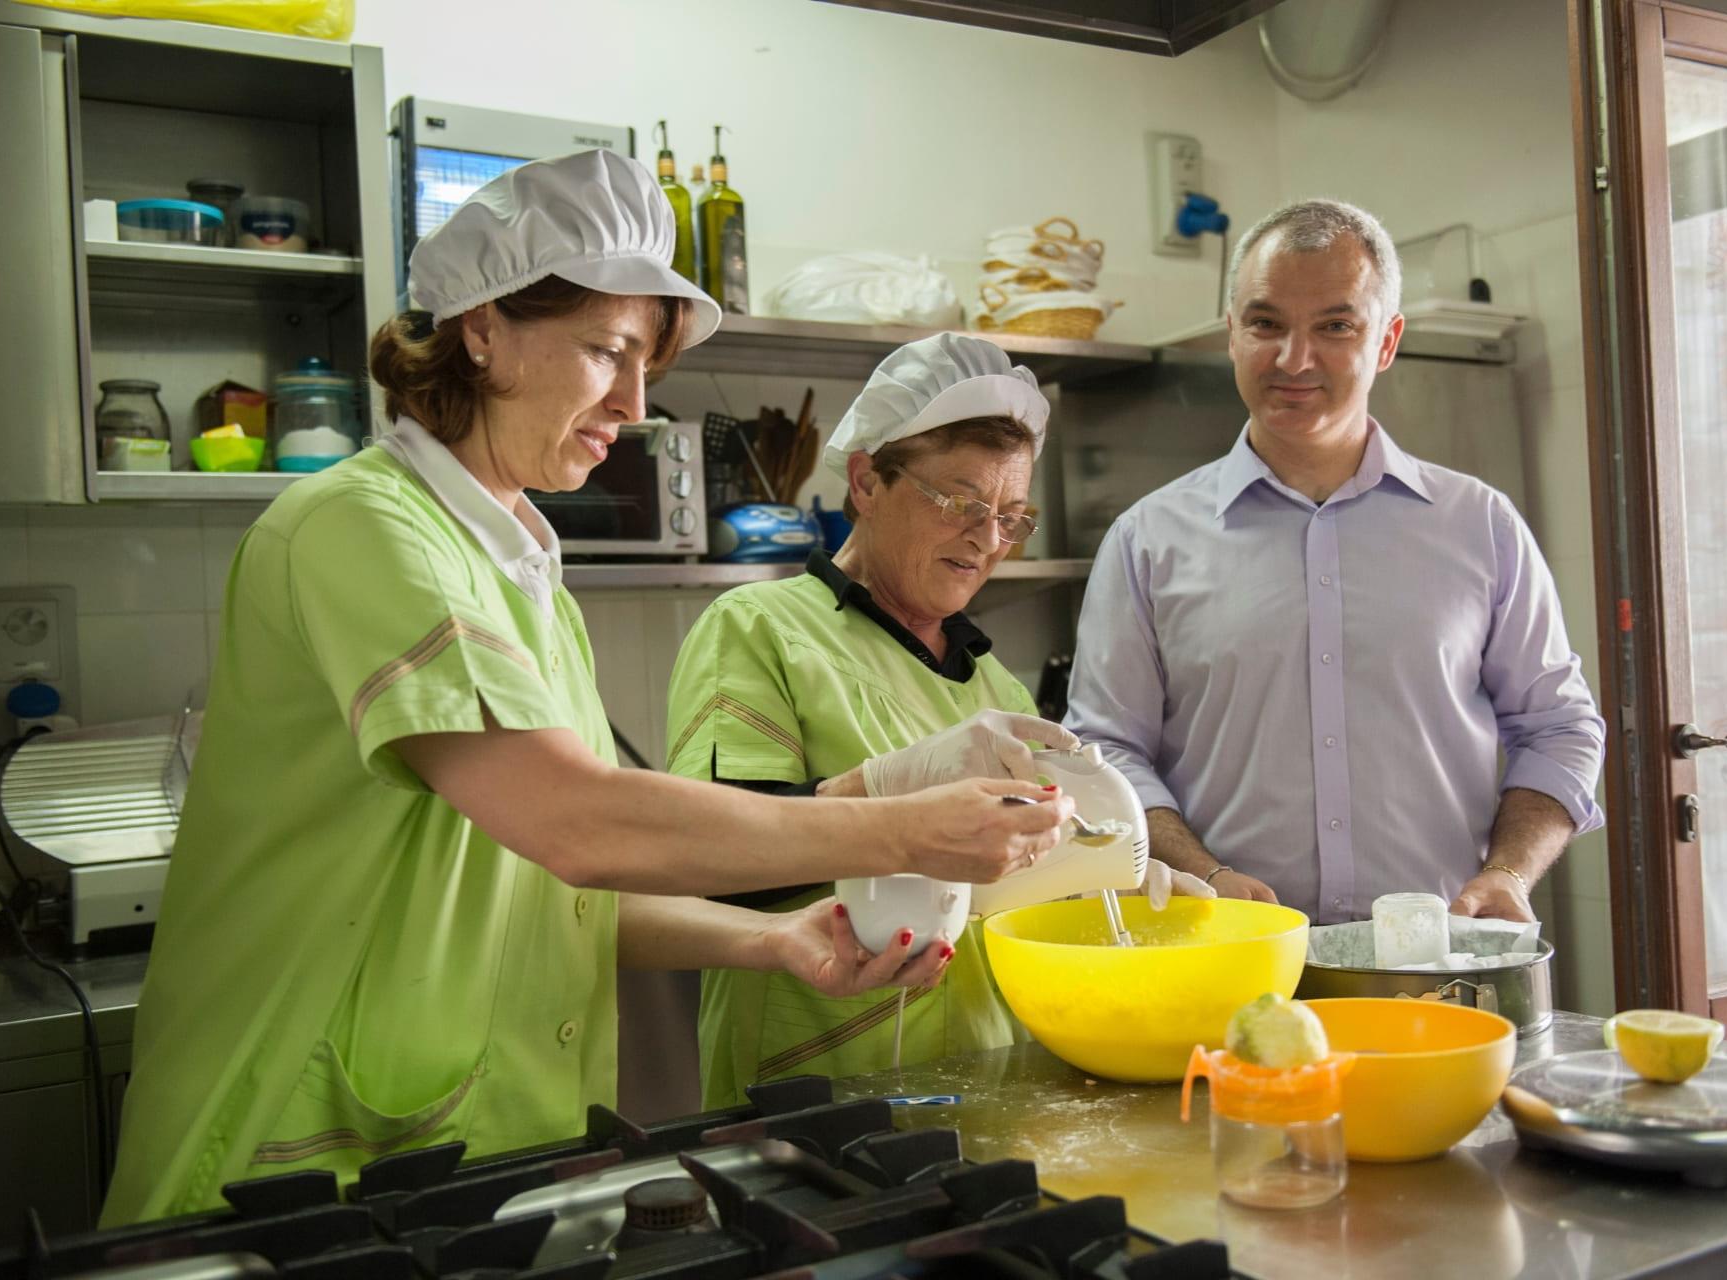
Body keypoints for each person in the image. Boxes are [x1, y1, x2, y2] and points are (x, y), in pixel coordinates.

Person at [101, 153, 1072, 1226]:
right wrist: (904, 826)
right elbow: (578, 823)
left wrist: (771, 939)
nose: (636, 402)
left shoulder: (523, 575)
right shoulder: (361, 526)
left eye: (646, 363)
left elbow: (556, 891)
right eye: (608, 350)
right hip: (292, 1142)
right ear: (483, 327)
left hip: (473, 1142)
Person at [665, 334, 1202, 1108]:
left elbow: (1009, 895)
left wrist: (1099, 878)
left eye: (1010, 517)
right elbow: (707, 866)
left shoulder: (997, 689)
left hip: (991, 1084)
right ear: (866, 482)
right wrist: (884, 790)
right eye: (962, 504)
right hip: (815, 1094)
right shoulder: (758, 630)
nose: (987, 539)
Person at [1066, 198, 1605, 926]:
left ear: (1386, 342)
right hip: (1229, 955)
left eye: (1335, 326)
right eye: (1266, 324)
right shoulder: (1146, 540)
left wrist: (1509, 872)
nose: (1294, 359)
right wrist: (1203, 873)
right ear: (1232, 333)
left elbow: (1558, 728)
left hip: (1435, 956)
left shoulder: (1481, 524)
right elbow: (1104, 751)